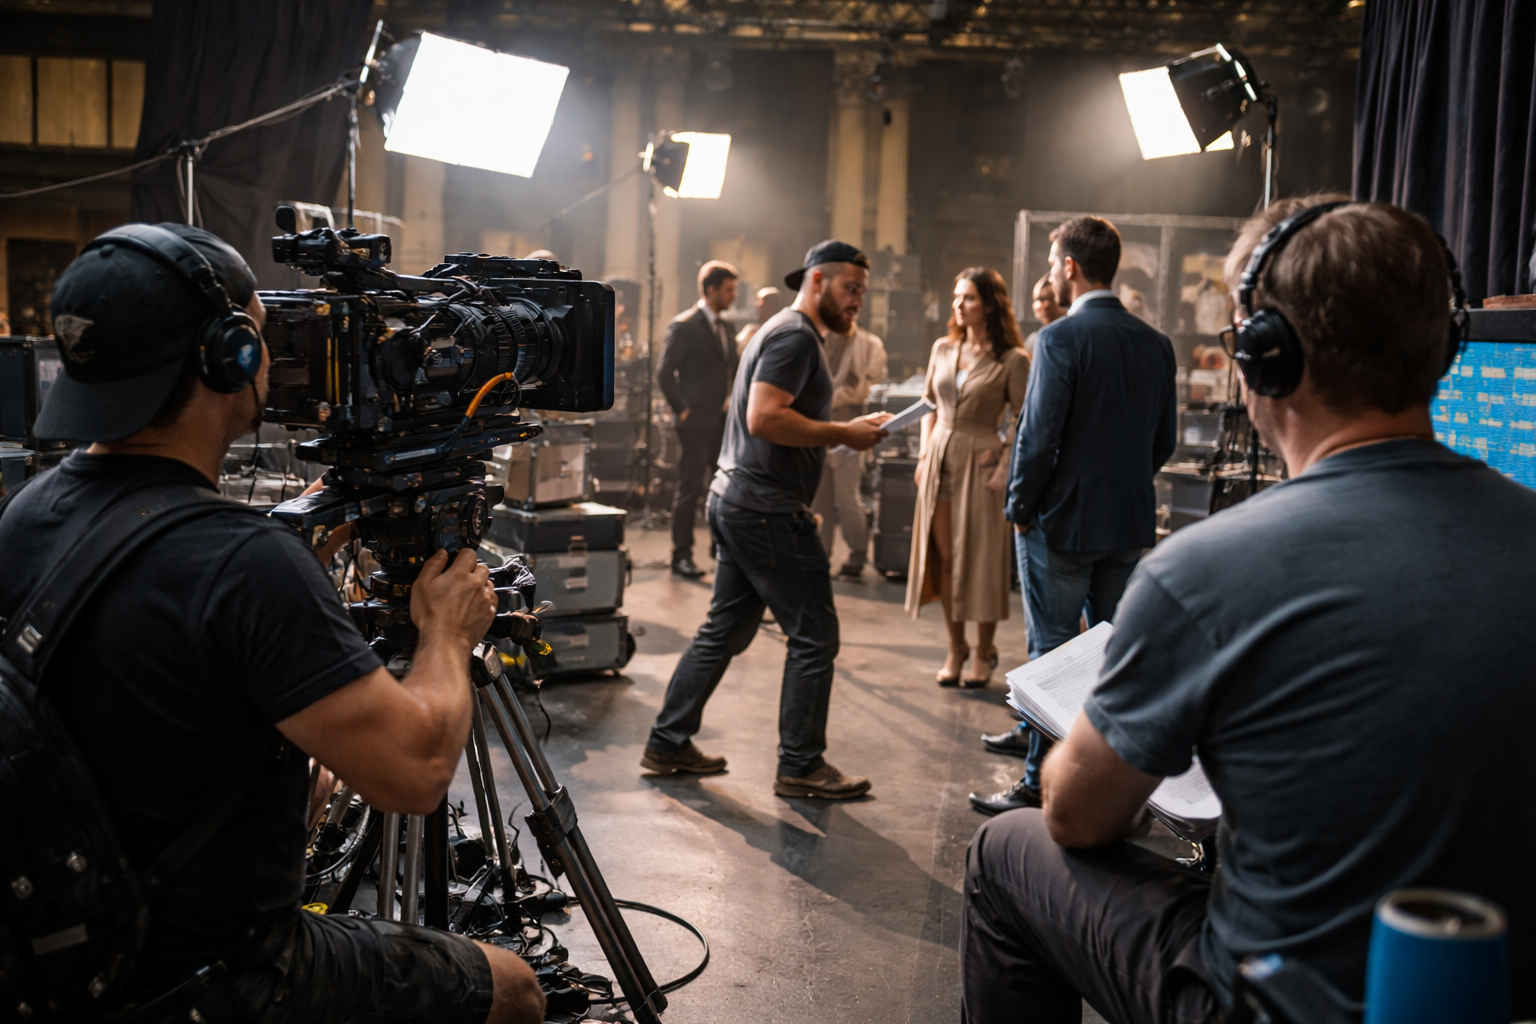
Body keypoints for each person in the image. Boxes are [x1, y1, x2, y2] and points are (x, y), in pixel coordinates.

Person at [959, 196, 1536, 1024]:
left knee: (1007, 849)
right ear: (1443, 347)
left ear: (1266, 358)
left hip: (1272, 1002)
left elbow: (1078, 818)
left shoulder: (1206, 570)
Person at [0, 223, 545, 1024]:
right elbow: (417, 772)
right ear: (230, 358)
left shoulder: (26, 514)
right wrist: (445, 635)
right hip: (214, 976)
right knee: (516, 988)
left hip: (66, 951)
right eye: (267, 334)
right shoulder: (244, 563)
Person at [641, 240, 891, 799]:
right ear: (819, 281)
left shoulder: (783, 329)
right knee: (815, 637)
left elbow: (774, 419)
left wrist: (839, 437)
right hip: (765, 509)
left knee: (724, 629)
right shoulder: (796, 337)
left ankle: (666, 742)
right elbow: (764, 418)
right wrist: (843, 433)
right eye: (851, 289)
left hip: (740, 501)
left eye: (862, 294)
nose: (858, 303)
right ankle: (801, 765)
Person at [971, 216, 1176, 815]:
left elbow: (1038, 438)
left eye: (1054, 261)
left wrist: (1019, 506)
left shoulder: (1060, 339)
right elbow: (1160, 442)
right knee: (1110, 660)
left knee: (1052, 657)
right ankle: (1103, 782)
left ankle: (1039, 783)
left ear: (1069, 267)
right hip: (1128, 522)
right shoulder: (1156, 344)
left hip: (1060, 524)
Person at [906, 268, 1030, 687]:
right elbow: (928, 404)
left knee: (981, 558)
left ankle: (983, 651)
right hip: (939, 458)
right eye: (956, 297)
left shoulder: (1012, 358)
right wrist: (924, 454)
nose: (959, 305)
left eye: (969, 298)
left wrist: (1004, 464)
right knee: (944, 559)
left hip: (981, 465)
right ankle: (955, 647)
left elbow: (1024, 418)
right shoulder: (943, 348)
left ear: (991, 304)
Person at [656, 260, 741, 578]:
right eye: (729, 290)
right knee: (690, 489)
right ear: (711, 290)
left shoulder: (727, 326)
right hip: (694, 423)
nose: (734, 296)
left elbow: (729, 368)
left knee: (725, 487)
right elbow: (664, 372)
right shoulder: (685, 324)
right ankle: (681, 556)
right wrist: (682, 409)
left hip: (722, 421)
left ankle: (720, 548)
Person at [810, 312, 887, 576]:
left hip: (850, 427)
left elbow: (868, 385)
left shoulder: (868, 344)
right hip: (818, 426)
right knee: (819, 499)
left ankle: (856, 554)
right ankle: (819, 555)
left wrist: (837, 397)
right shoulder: (817, 338)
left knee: (847, 496)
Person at [1022, 271, 1065, 358]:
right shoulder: (1033, 340)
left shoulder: (1073, 335)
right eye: (1035, 300)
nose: (1037, 306)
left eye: (1043, 299)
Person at [735, 285, 787, 354]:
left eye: (769, 300)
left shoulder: (785, 330)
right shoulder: (750, 331)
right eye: (758, 300)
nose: (760, 304)